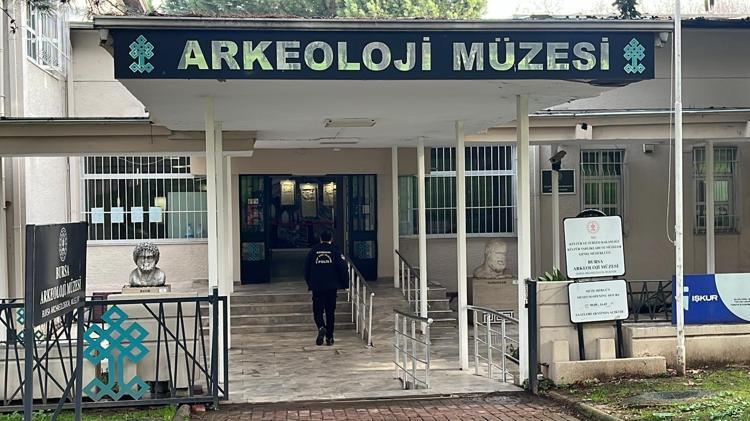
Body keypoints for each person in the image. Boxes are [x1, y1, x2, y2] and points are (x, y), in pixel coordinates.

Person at [304, 230, 348, 346]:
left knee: (317, 311)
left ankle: (321, 327)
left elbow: (306, 269)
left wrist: (310, 283)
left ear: (320, 238)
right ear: (331, 239)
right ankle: (329, 337)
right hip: (331, 287)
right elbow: (343, 268)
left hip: (317, 287)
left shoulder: (313, 251)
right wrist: (344, 284)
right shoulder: (335, 251)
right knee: (330, 312)